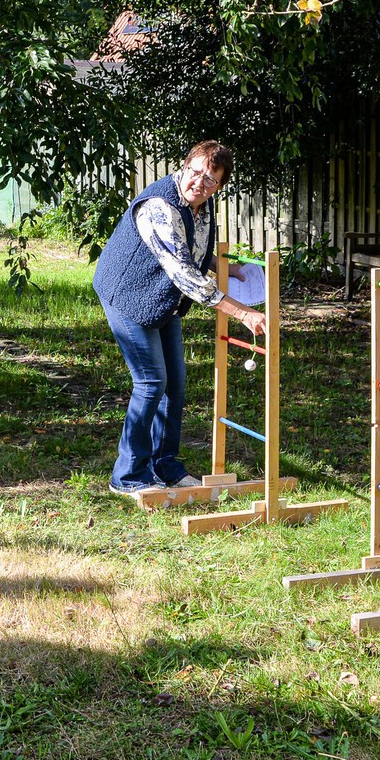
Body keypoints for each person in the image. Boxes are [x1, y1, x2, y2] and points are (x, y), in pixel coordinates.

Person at [92, 141, 267, 495]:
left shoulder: (203, 203)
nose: (200, 183)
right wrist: (243, 313)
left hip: (161, 299)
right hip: (127, 294)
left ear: (219, 185)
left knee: (176, 384)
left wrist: (227, 267)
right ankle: (127, 476)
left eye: (211, 179)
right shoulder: (159, 206)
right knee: (151, 381)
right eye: (196, 172)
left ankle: (165, 466)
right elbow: (183, 272)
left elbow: (192, 249)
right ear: (184, 166)